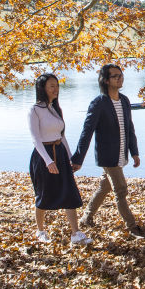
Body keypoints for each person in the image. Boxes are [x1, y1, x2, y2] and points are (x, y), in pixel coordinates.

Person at [71, 63, 145, 237]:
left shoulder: (125, 100)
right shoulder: (98, 103)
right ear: (105, 80)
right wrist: (78, 159)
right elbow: (87, 132)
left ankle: (86, 218)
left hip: (121, 153)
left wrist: (134, 152)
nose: (120, 78)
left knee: (104, 187)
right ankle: (132, 227)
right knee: (120, 189)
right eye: (115, 76)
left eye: (121, 75)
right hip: (107, 156)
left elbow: (130, 128)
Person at [28, 73, 91, 246]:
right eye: (51, 86)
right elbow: (35, 139)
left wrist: (71, 158)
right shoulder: (34, 110)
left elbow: (62, 136)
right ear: (43, 88)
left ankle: (75, 233)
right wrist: (48, 161)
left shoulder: (56, 108)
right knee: (43, 194)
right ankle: (40, 230)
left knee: (69, 191)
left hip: (60, 152)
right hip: (43, 156)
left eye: (57, 85)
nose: (56, 89)